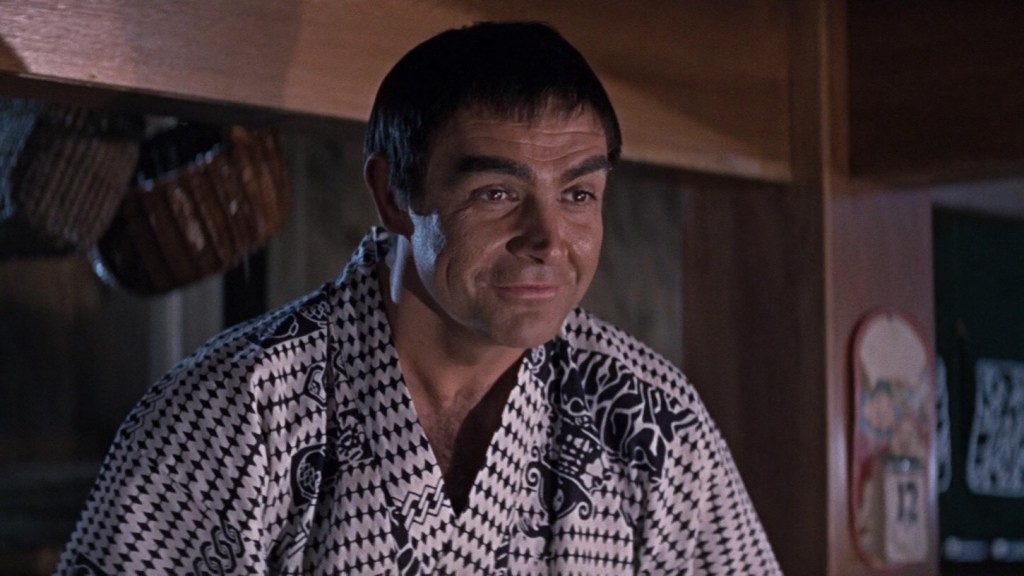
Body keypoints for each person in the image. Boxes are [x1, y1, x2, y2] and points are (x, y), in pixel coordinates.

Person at [57, 21, 782, 575]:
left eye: (579, 194)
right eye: (496, 193)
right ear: (393, 195)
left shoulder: (651, 417)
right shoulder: (234, 412)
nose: (549, 240)